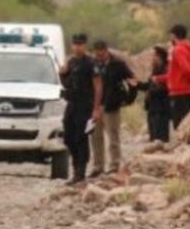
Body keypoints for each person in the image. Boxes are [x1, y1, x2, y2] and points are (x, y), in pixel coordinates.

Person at [58, 33, 102, 184]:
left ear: (85, 45)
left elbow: (98, 86)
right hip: (72, 104)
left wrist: (96, 108)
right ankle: (76, 167)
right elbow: (66, 84)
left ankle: (80, 172)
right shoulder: (71, 62)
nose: (77, 47)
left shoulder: (91, 63)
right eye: (75, 44)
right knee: (68, 136)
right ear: (72, 45)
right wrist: (62, 74)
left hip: (85, 105)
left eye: (80, 44)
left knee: (80, 137)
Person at [89, 40, 136, 177]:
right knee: (95, 137)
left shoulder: (118, 64)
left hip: (112, 106)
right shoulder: (93, 64)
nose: (99, 56)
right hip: (96, 106)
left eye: (101, 53)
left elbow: (132, 80)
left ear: (106, 50)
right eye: (97, 53)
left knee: (113, 137)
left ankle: (114, 164)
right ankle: (98, 166)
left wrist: (128, 99)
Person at [155, 24, 190, 129]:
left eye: (171, 35)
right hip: (188, 90)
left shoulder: (178, 50)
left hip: (179, 92)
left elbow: (186, 69)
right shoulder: (189, 49)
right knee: (187, 122)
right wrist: (159, 78)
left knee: (179, 124)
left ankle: (181, 144)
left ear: (174, 36)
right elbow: (177, 72)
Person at [142, 46, 171, 142]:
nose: (152, 58)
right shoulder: (155, 70)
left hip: (161, 107)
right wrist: (137, 84)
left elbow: (165, 88)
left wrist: (152, 91)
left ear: (160, 57)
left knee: (160, 137)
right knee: (153, 135)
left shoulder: (165, 70)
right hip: (152, 107)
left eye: (154, 55)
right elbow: (149, 85)